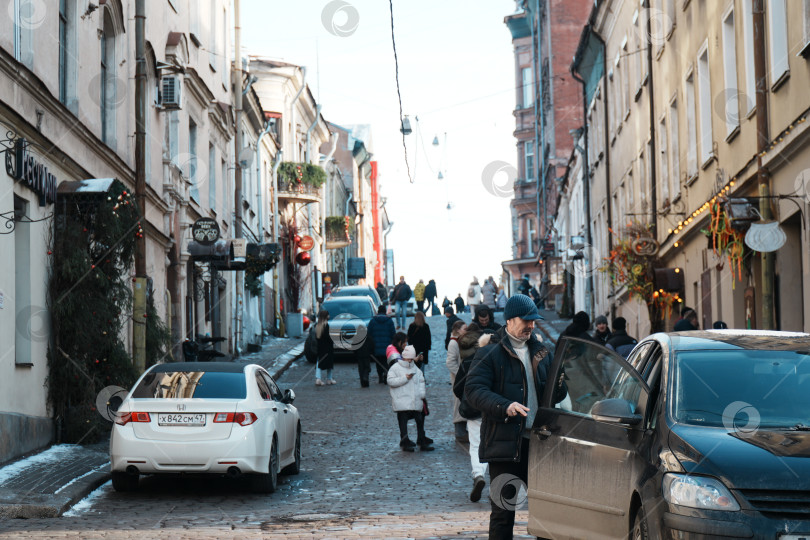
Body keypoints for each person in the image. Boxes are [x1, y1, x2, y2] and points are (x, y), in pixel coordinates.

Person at [465, 295, 567, 538]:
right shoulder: (489, 352)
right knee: (503, 513)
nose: (531, 325)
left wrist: (561, 377)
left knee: (546, 513)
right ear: (510, 320)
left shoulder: (542, 352)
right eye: (526, 320)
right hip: (504, 445)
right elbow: (473, 391)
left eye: (534, 320)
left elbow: (558, 393)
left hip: (540, 445)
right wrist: (504, 405)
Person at [453, 323, 487, 502]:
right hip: (489, 407)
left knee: (475, 445)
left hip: (472, 406)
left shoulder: (466, 362)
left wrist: (465, 396)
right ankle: (482, 474)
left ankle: (477, 474)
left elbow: (457, 387)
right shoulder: (490, 360)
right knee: (487, 444)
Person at [388, 345, 434, 451]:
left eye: (412, 359)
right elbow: (390, 381)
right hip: (402, 401)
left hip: (415, 400)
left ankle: (421, 439)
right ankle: (405, 441)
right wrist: (405, 378)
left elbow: (422, 381)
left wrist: (422, 395)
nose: (410, 360)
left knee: (419, 419)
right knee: (403, 422)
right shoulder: (395, 368)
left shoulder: (415, 369)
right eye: (409, 358)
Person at [446, 320, 468, 442]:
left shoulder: (459, 341)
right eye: (464, 329)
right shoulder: (453, 343)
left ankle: (463, 430)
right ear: (458, 330)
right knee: (458, 403)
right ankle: (459, 432)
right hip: (458, 380)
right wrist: (461, 374)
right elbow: (450, 362)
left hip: (462, 379)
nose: (466, 331)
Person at [367, 304, 396, 386]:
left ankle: (380, 376)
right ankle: (386, 374)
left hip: (376, 346)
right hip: (387, 346)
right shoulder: (389, 321)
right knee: (386, 361)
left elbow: (369, 334)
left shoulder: (373, 321)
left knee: (378, 362)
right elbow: (393, 334)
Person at [314, 310, 335, 386]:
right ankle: (329, 379)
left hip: (320, 347)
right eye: (328, 315)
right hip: (327, 348)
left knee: (319, 363)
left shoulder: (318, 326)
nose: (329, 316)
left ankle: (318, 378)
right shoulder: (326, 326)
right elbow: (328, 337)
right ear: (326, 316)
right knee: (329, 364)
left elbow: (317, 337)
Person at [407, 311, 432, 377]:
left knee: (414, 366)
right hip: (423, 351)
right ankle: (421, 379)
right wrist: (428, 348)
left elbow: (409, 339)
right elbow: (428, 339)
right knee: (422, 367)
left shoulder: (411, 326)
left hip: (414, 351)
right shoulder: (426, 326)